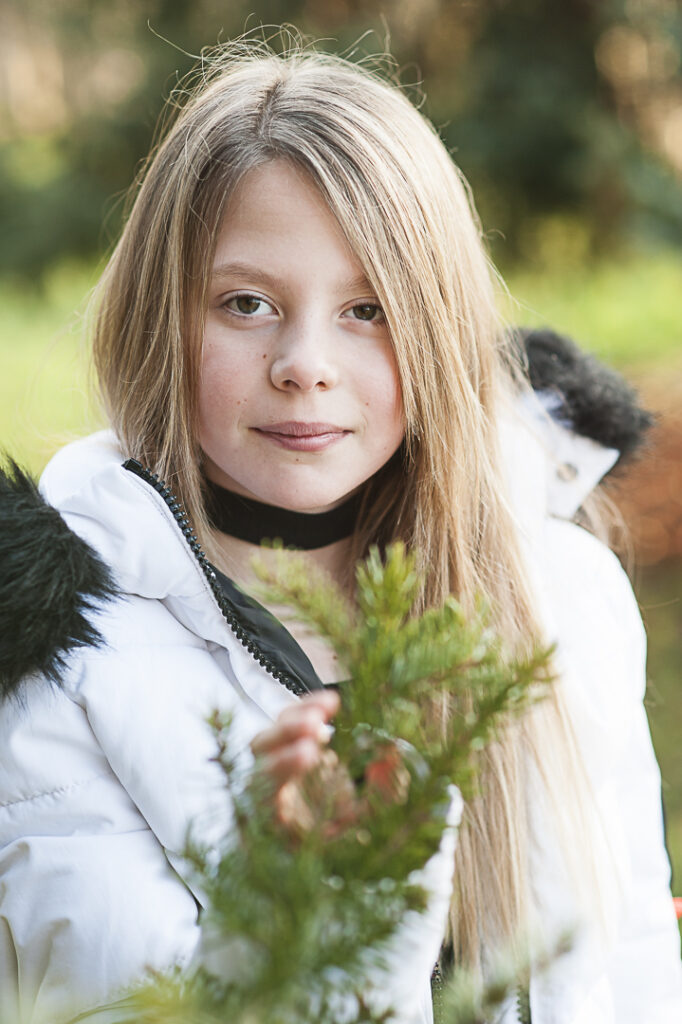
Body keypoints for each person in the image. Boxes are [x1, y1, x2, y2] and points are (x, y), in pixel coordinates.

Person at [1, 36, 681, 1024]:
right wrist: (315, 899)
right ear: (161, 316)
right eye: (246, 304)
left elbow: (629, 966)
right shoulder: (59, 648)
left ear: (436, 323)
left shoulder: (559, 589)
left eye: (366, 308)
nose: (304, 362)